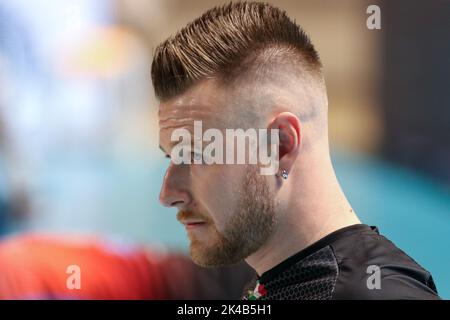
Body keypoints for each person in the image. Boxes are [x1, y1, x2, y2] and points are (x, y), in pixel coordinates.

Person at [152, 2, 440, 299]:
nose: (167, 194)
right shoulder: (270, 274)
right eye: (171, 156)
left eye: (197, 154)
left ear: (279, 146)